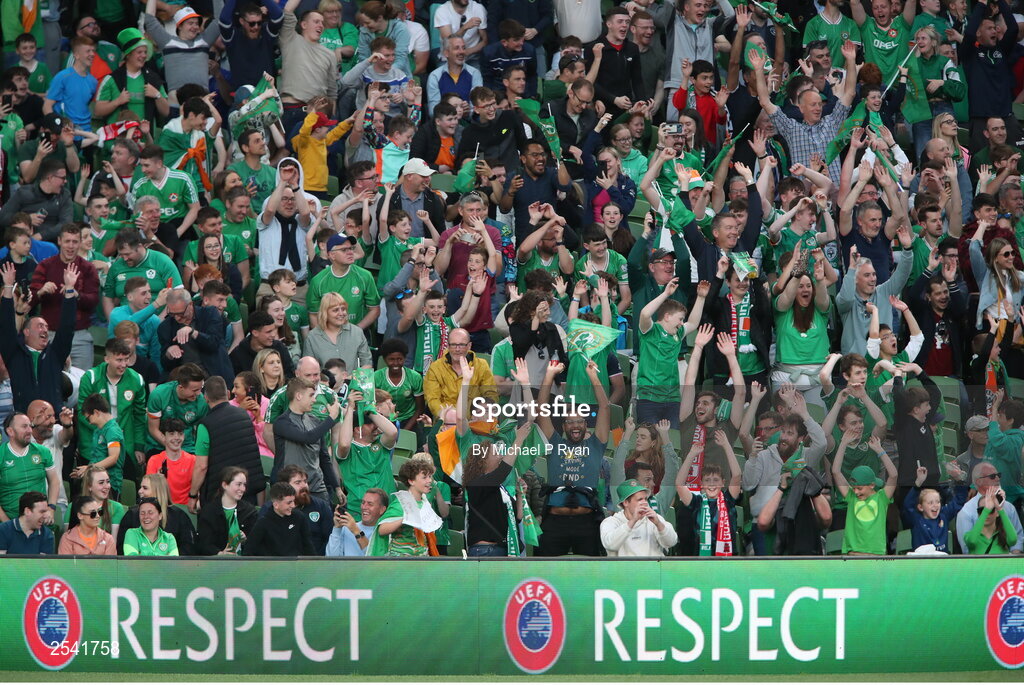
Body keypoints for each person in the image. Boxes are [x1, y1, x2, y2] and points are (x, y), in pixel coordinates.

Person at [0, 261, 77, 413]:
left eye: (47, 327)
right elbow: (6, 328)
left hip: (52, 420)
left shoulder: (54, 354)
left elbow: (67, 328)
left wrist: (69, 290)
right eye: (40, 326)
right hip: (22, 422)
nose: (45, 330)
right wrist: (8, 287)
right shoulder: (14, 354)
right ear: (26, 332)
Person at [189, 376, 266, 509]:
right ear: (228, 394)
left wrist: (193, 495)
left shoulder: (205, 425)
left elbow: (201, 466)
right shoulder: (244, 416)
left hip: (220, 497)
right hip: (247, 492)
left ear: (205, 397)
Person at [76, 338, 148, 481]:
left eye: (126, 359)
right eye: (119, 360)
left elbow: (139, 416)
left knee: (125, 486)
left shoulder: (136, 380)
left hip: (124, 444)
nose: (124, 365)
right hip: (93, 443)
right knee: (90, 487)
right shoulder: (91, 378)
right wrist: (107, 432)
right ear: (107, 359)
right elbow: (82, 413)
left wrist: (139, 446)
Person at [675, 428, 743, 557]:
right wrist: (691, 454)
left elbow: (737, 475)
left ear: (723, 483)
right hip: (701, 559)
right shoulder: (696, 501)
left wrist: (726, 445)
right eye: (707, 480)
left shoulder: (728, 500)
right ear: (702, 484)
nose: (712, 484)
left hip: (727, 559)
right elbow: (679, 484)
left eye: (715, 480)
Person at [271, 378, 341, 501]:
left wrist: (337, 487)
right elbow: (308, 438)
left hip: (317, 488)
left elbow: (324, 457)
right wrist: (331, 418)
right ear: (298, 396)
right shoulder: (282, 422)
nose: (314, 400)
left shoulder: (315, 421)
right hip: (290, 490)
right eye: (311, 395)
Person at [831, 431, 898, 555]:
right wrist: (843, 443)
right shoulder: (851, 497)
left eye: (860, 488)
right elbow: (836, 471)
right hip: (853, 556)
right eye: (854, 488)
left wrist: (880, 450)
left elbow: (893, 475)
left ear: (872, 485)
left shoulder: (881, 498)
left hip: (875, 556)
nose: (855, 491)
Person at [367, 459, 442, 556]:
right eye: (424, 477)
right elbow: (382, 530)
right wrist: (404, 519)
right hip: (401, 562)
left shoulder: (425, 502)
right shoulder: (401, 504)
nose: (429, 481)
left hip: (422, 561)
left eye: (430, 477)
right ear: (411, 481)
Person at [158, 286, 234, 381]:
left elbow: (213, 343)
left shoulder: (209, 314)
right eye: (172, 314)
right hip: (185, 380)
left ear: (190, 305)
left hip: (213, 376)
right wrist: (169, 353)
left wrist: (194, 332)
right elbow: (165, 365)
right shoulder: (165, 327)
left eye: (181, 313)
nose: (177, 318)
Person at [258, 465, 333, 554]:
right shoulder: (271, 508)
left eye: (305, 481)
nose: (304, 486)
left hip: (315, 562)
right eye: (298, 483)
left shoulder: (320, 506)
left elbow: (330, 538)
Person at [423, 327, 497, 417]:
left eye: (461, 345)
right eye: (453, 345)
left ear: (469, 346)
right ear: (448, 346)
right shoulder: (435, 368)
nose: (457, 349)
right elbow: (432, 400)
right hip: (446, 421)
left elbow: (490, 394)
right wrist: (449, 416)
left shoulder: (481, 365)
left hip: (475, 420)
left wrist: (480, 414)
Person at [0, 413, 60, 522]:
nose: (29, 430)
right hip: (11, 519)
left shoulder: (42, 451)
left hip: (41, 520)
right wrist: (7, 524)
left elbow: (54, 481)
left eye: (30, 426)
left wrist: (51, 508)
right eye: (24, 427)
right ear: (10, 431)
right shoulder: (1, 455)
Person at [955, 462, 1023, 554]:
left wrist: (1000, 508)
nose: (997, 479)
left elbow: (1016, 538)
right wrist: (986, 510)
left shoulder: (1008, 507)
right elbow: (967, 548)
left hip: (1005, 565)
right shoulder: (966, 512)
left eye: (998, 475)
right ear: (979, 481)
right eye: (992, 476)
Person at [0, 158, 73, 241]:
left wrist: (41, 235)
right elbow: (3, 218)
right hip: (23, 242)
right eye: (63, 178)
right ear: (50, 178)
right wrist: (26, 219)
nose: (65, 181)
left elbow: (66, 224)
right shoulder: (24, 193)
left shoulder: (64, 195)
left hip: (51, 244)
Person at [601, 479, 678, 557]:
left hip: (653, 567)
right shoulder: (611, 522)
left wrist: (658, 524)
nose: (645, 502)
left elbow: (671, 542)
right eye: (640, 499)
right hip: (624, 568)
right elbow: (610, 545)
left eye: (645, 499)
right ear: (625, 503)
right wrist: (633, 521)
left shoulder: (655, 518)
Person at [901, 466, 965, 554]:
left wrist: (959, 480)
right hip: (922, 563)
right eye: (930, 503)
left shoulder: (944, 515)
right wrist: (917, 484)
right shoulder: (916, 519)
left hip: (941, 563)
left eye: (938, 502)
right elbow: (907, 505)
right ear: (920, 507)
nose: (935, 505)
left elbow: (959, 500)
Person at [196, 466, 259, 555]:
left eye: (244, 485)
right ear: (225, 485)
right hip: (216, 564)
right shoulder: (209, 511)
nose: (243, 489)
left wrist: (246, 538)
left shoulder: (249, 511)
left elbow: (257, 542)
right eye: (238, 484)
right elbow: (204, 543)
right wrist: (219, 553)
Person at [303, 292, 372, 370]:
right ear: (325, 313)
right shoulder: (312, 337)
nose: (341, 313)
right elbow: (308, 368)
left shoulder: (357, 332)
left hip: (352, 380)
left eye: (343, 309)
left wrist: (350, 378)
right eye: (335, 310)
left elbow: (367, 364)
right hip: (325, 381)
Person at [243, 482, 315, 556]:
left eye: (293, 501)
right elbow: (249, 550)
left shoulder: (299, 517)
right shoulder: (263, 523)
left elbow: (308, 546)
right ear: (276, 505)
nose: (293, 505)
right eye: (289, 503)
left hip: (295, 565)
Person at [145, 418, 196, 505]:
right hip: (163, 508)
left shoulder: (193, 460)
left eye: (180, 434)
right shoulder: (154, 461)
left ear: (184, 436)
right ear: (163, 436)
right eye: (171, 434)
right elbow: (149, 491)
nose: (176, 438)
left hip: (186, 510)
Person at [326, 487, 388, 556]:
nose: (364, 507)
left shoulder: (385, 532)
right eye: (363, 502)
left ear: (382, 510)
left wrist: (356, 531)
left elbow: (373, 557)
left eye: (370, 504)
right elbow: (330, 558)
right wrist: (337, 529)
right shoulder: (346, 528)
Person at [964, 486, 1017, 555]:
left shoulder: (1003, 536)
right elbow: (972, 541)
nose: (987, 514)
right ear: (978, 513)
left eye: (991, 510)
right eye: (981, 510)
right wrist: (986, 510)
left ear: (997, 513)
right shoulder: (970, 535)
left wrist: (1000, 508)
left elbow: (1013, 539)